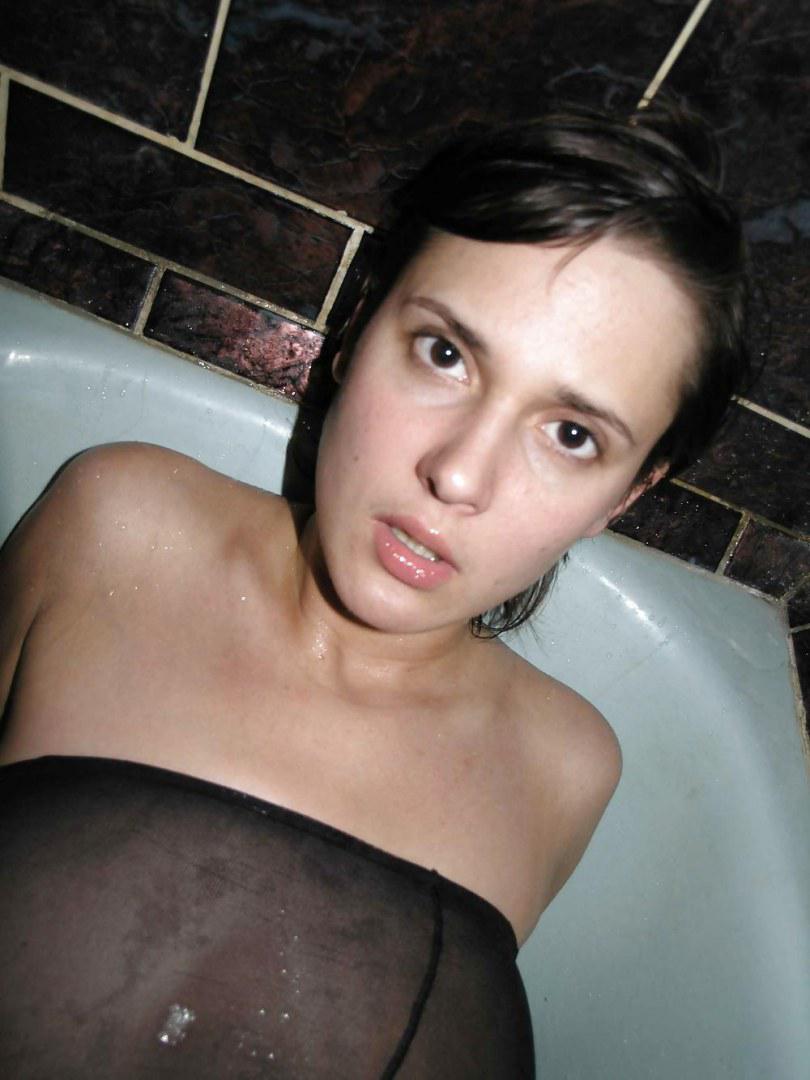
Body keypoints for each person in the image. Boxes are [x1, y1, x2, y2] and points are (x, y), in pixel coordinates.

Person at [0, 104, 748, 1077]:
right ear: (357, 330)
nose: (459, 474)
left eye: (572, 435)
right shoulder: (114, 525)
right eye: (445, 353)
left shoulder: (567, 768)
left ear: (627, 495)